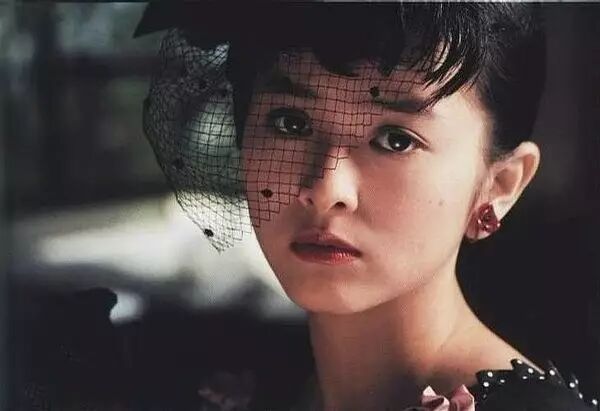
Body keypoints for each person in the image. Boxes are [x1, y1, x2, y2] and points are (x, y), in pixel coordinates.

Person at [135, 2, 599, 410]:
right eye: (290, 122)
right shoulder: (240, 383)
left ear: (500, 184)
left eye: (396, 140)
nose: (325, 188)